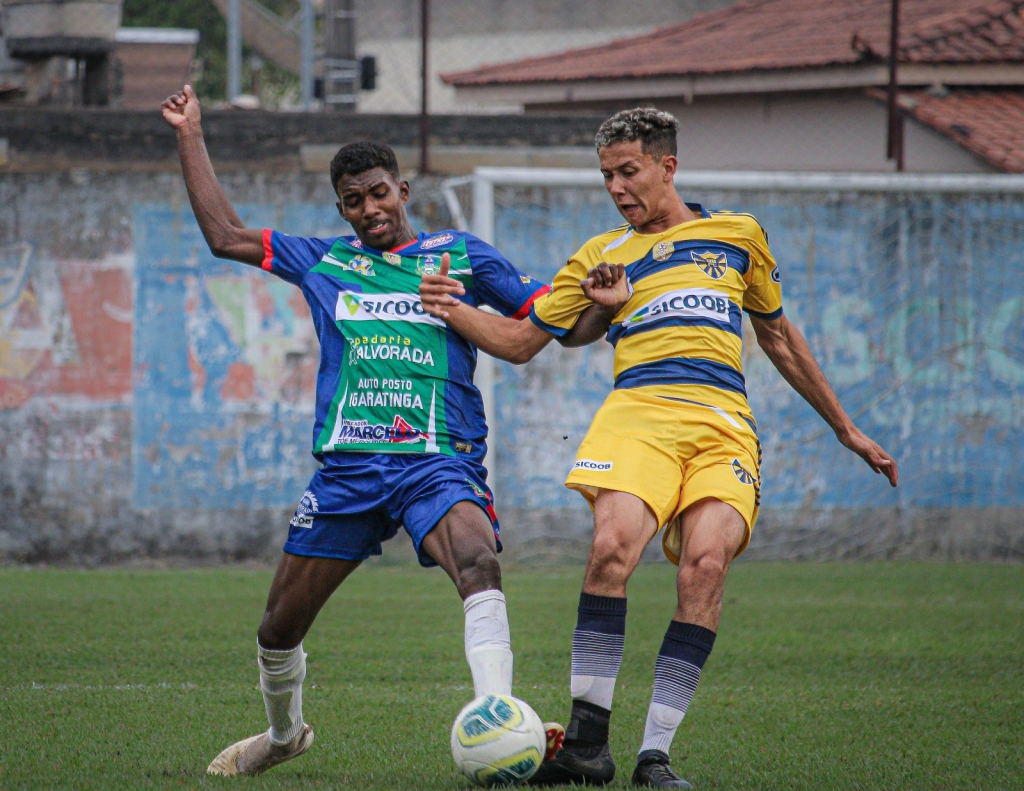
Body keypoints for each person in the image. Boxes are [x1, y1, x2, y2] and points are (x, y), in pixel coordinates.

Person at [419, 107, 899, 789]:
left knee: (704, 568)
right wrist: (451, 306)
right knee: (612, 546)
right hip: (638, 411)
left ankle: (654, 756)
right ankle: (587, 745)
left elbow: (780, 338)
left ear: (666, 167)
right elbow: (523, 342)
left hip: (722, 422)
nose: (616, 187)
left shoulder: (738, 237)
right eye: (607, 175)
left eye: (628, 171)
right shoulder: (600, 255)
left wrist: (847, 429)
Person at [159, 85, 606, 777]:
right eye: (353, 201)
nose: (369, 209)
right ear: (341, 209)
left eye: (377, 193)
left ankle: (500, 716)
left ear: (401, 188)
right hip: (348, 470)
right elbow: (226, 236)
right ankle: (283, 735)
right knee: (278, 628)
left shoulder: (460, 255)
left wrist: (602, 310)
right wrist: (190, 131)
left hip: (436, 460)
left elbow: (552, 323)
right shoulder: (324, 262)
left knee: (478, 558)